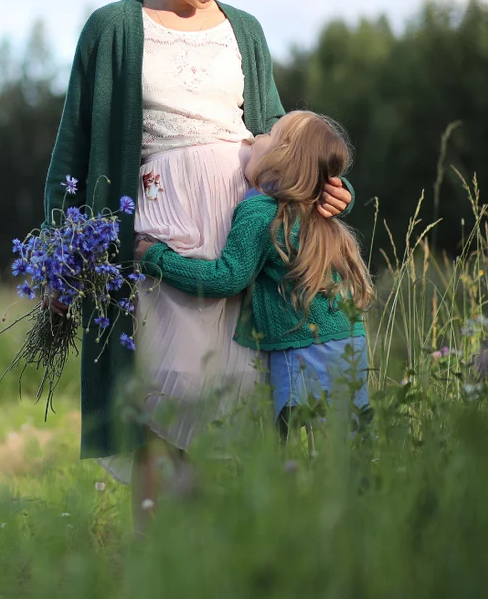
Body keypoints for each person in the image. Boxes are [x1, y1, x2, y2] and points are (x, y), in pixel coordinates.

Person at [42, 0, 354, 531]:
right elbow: (75, 148)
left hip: (242, 228)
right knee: (162, 392)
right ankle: (155, 554)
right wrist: (61, 261)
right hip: (158, 228)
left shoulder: (245, 31)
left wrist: (321, 192)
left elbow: (277, 131)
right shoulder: (113, 29)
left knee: (237, 394)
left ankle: (218, 555)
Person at [135, 110, 374, 442]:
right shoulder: (308, 208)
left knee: (285, 445)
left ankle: (291, 493)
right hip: (348, 340)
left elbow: (226, 278)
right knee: (349, 445)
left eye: (271, 134)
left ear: (282, 159)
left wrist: (154, 256)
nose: (257, 137)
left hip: (300, 349)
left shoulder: (260, 213)